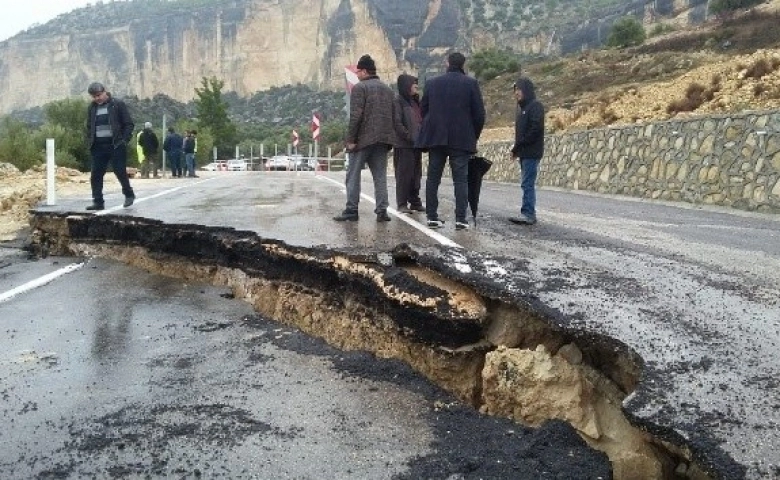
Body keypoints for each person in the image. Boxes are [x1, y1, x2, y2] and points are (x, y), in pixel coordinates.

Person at [416, 52, 485, 231]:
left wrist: (432, 126)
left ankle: (432, 217)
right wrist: (473, 135)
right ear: (463, 64)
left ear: (447, 63)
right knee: (460, 180)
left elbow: (423, 110)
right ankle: (461, 219)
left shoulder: (432, 83)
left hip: (436, 138)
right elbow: (479, 115)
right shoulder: (471, 83)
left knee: (433, 178)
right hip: (461, 139)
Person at [333, 54, 396, 222]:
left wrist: (351, 140)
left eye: (358, 71)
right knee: (380, 176)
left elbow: (356, 116)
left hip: (363, 140)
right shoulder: (388, 90)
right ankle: (382, 211)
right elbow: (394, 117)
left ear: (365, 71)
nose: (357, 74)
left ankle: (351, 210)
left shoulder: (360, 88)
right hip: (383, 140)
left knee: (353, 174)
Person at [84, 82, 135, 210]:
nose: (97, 98)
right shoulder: (92, 108)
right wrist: (89, 141)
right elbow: (89, 126)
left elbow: (128, 124)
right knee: (95, 175)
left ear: (105, 91)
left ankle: (129, 194)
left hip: (116, 145)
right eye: (94, 96)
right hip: (98, 147)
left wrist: (124, 140)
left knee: (119, 171)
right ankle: (98, 202)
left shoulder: (117, 104)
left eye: (99, 95)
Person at [508, 77, 545, 225]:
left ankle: (529, 214)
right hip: (524, 152)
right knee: (526, 183)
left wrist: (518, 147)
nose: (516, 93)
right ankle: (527, 212)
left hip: (531, 152)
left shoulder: (535, 106)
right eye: (515, 90)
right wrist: (516, 149)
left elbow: (534, 129)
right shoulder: (523, 109)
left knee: (527, 183)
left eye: (519, 89)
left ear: (526, 90)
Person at [392, 74, 424, 214]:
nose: (416, 86)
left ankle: (415, 202)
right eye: (413, 83)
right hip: (404, 145)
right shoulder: (398, 101)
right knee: (404, 175)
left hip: (416, 144)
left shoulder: (416, 102)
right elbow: (397, 123)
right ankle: (402, 203)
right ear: (406, 85)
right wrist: (408, 136)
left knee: (416, 175)